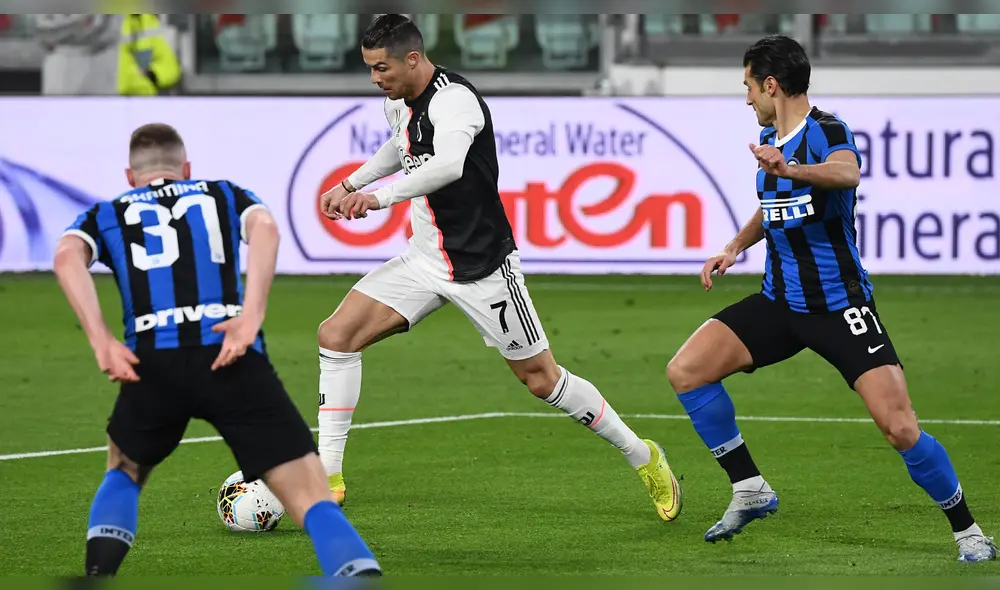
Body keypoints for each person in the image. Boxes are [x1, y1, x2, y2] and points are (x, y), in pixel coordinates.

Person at [316, 14, 681, 522]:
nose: (375, 79)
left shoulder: (454, 100)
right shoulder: (398, 102)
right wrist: (352, 183)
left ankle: (642, 455)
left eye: (381, 68)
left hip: (482, 268)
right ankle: (327, 477)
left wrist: (376, 200)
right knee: (336, 335)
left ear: (413, 59)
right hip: (424, 258)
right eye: (371, 69)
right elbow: (399, 147)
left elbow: (448, 165)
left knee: (542, 380)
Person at [665, 34, 996, 563]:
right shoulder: (772, 143)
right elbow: (772, 205)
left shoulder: (825, 132)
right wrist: (733, 247)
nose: (747, 97)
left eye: (749, 86)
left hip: (841, 308)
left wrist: (789, 168)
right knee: (686, 370)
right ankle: (750, 487)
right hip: (779, 303)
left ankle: (968, 531)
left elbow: (847, 174)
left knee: (900, 426)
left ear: (771, 85)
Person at [54, 123, 381, 577]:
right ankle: (358, 577)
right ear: (186, 169)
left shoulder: (107, 213)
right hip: (230, 354)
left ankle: (96, 576)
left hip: (153, 361)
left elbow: (67, 256)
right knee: (310, 497)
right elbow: (265, 227)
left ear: (131, 175)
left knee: (125, 470)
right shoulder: (222, 194)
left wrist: (101, 339)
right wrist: (251, 315)